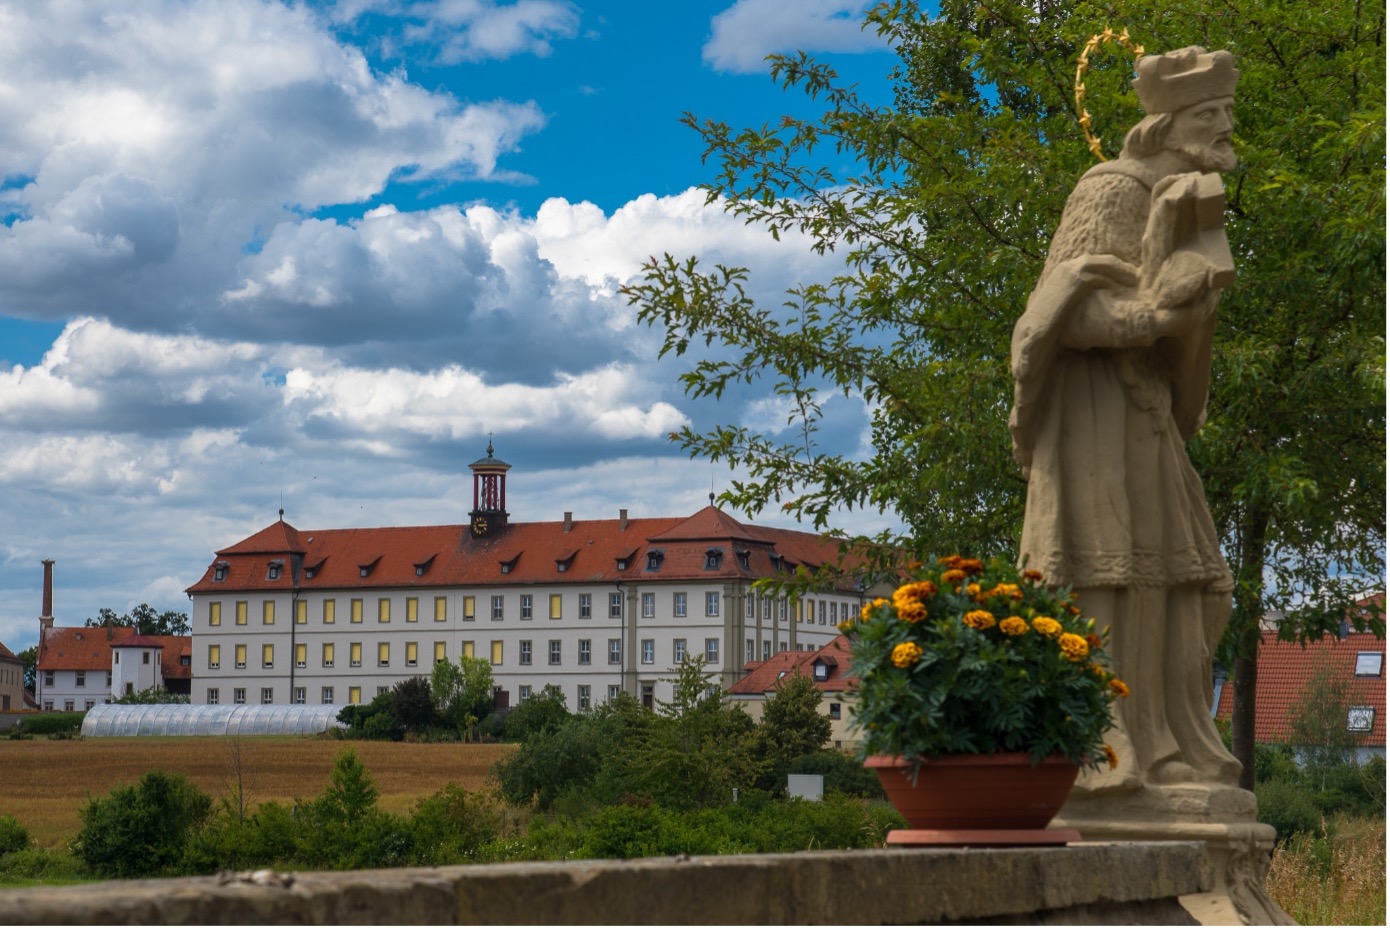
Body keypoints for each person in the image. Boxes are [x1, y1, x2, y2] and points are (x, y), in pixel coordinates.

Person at [1010, 47, 1241, 791]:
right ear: (1169, 124)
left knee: (1189, 579)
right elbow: (1062, 308)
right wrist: (1152, 315)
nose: (1225, 128)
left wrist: (1191, 309)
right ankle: (1102, 747)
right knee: (1099, 569)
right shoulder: (1110, 188)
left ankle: (1170, 739)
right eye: (1211, 116)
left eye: (1227, 114)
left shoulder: (1186, 195)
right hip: (1093, 412)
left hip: (1147, 413)